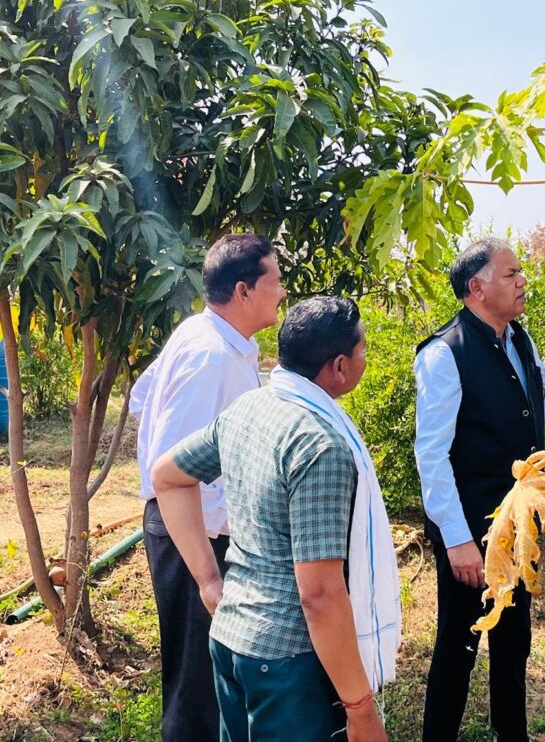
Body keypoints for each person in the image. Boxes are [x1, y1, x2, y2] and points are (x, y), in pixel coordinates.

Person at [151, 297, 399, 742]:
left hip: (230, 640)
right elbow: (319, 594)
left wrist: (210, 580)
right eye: (363, 350)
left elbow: (167, 477)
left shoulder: (252, 409)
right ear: (339, 367)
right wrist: (360, 710)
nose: (366, 358)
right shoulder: (320, 446)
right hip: (287, 663)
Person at [414, 239, 545, 742]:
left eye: (520, 273)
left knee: (514, 642)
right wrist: (458, 540)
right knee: (459, 645)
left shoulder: (521, 342)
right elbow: (432, 455)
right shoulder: (445, 353)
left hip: (519, 521)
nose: (522, 281)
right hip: (470, 526)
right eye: (511, 274)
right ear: (476, 287)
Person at [129, 234, 285, 742]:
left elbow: (141, 398)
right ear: (243, 290)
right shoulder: (211, 357)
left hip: (200, 528)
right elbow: (171, 476)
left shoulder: (214, 338)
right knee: (194, 692)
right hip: (191, 534)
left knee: (211, 683)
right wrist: (207, 575)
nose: (283, 292)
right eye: (275, 281)